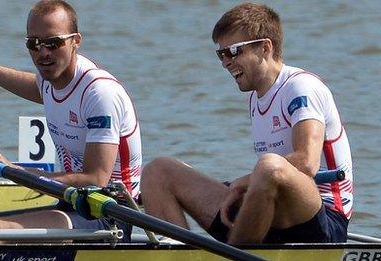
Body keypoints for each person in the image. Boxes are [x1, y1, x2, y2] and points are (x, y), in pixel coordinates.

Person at [140, 3, 353, 244]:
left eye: (234, 51)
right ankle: (177, 256)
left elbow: (306, 163)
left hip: (322, 219)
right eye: (221, 54)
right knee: (159, 171)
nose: (225, 62)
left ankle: (234, 251)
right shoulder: (255, 98)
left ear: (265, 48)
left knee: (269, 166)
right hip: (272, 210)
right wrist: (247, 185)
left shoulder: (300, 88)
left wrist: (244, 181)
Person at [0, 0, 141, 242]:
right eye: (34, 44)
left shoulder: (99, 94)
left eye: (53, 43)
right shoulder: (49, 81)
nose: (43, 53)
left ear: (76, 41)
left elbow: (96, 178)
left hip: (110, 214)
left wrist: (15, 170)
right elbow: (30, 85)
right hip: (72, 203)